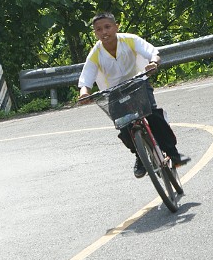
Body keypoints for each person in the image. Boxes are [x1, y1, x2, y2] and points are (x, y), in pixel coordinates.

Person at [78, 12, 190, 177]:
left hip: (139, 83)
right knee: (124, 127)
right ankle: (140, 156)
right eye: (99, 29)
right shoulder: (95, 53)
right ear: (95, 33)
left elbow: (152, 53)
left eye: (107, 27)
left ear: (116, 27)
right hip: (114, 92)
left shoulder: (130, 40)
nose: (104, 32)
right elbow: (86, 78)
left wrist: (153, 63)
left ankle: (173, 153)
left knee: (153, 115)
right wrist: (84, 93)